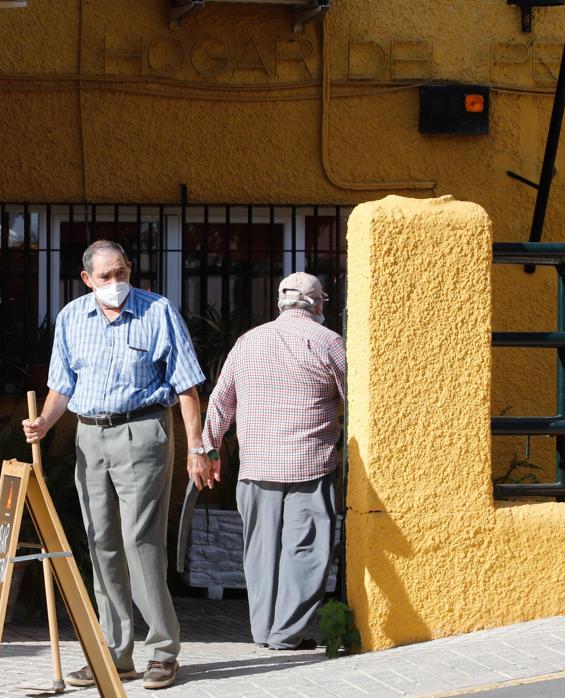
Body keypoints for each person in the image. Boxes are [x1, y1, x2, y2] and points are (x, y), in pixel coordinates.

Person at [22, 240, 210, 690]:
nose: (115, 282)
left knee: (139, 540)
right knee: (101, 541)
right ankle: (114, 654)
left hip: (142, 430)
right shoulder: (71, 317)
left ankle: (162, 651)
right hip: (90, 435)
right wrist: (45, 422)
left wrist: (196, 447)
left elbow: (186, 386)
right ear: (87, 279)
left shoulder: (157, 311)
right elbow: (62, 384)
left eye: (121, 272)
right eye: (105, 276)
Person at [200, 272, 346, 651]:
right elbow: (358, 400)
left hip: (256, 466)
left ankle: (263, 631)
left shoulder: (247, 342)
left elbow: (220, 401)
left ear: (280, 302)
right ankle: (286, 634)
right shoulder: (329, 342)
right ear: (318, 303)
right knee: (306, 551)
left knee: (260, 552)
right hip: (310, 464)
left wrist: (210, 451)